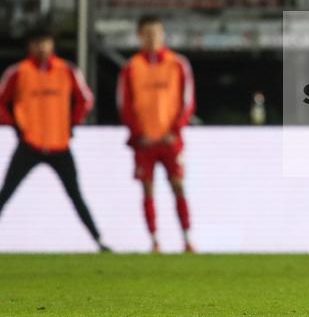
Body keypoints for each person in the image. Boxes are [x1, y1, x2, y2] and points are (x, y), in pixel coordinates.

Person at [0, 27, 110, 251]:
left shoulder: (66, 70)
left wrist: (71, 123)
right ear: (30, 46)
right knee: (6, 193)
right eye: (37, 42)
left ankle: (99, 241)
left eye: (45, 42)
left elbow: (85, 99)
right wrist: (16, 126)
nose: (41, 47)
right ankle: (99, 241)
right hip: (29, 144)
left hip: (59, 144)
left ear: (52, 45)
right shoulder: (18, 72)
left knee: (75, 195)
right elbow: (1, 102)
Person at [117, 15, 196, 253]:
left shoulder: (178, 64)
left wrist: (175, 130)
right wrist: (138, 133)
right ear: (139, 36)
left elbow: (187, 101)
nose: (152, 38)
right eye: (147, 33)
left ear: (163, 35)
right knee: (148, 188)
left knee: (178, 185)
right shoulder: (131, 68)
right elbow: (125, 105)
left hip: (170, 140)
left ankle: (187, 238)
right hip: (145, 142)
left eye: (156, 33)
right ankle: (154, 241)